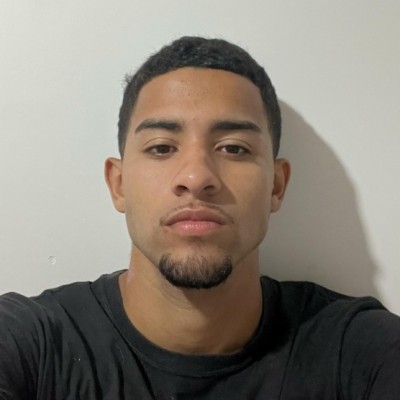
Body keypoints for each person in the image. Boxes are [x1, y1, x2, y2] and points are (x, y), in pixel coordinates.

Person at [0, 36, 399, 400]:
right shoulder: (32, 344)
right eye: (161, 147)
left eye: (234, 148)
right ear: (118, 185)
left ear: (276, 186)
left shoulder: (360, 351)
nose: (196, 177)